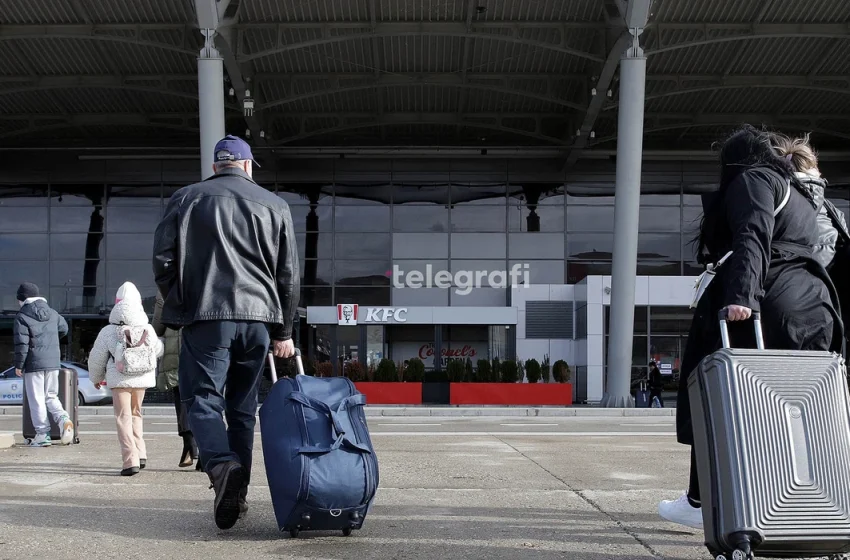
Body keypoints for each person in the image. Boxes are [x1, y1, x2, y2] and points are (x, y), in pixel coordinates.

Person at [659, 125, 844, 529]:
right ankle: (810, 502)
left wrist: (742, 295)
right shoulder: (801, 194)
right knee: (802, 410)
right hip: (814, 306)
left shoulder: (754, 179)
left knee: (722, 400)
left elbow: (753, 236)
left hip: (769, 301)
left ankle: (701, 501)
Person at [153, 135, 300, 530]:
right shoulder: (276, 205)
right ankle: (241, 492)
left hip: (207, 316)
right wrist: (283, 330)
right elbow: (288, 275)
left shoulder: (186, 198)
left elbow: (163, 262)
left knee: (201, 399)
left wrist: (181, 304)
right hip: (258, 319)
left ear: (216, 166)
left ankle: (221, 469)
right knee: (241, 408)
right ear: (248, 166)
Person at [88, 282, 163, 476]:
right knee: (136, 414)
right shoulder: (147, 328)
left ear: (117, 304)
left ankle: (130, 461)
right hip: (142, 379)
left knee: (123, 418)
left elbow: (97, 357)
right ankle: (141, 453)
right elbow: (158, 350)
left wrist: (96, 377)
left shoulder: (108, 331)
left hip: (119, 379)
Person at [13, 282, 75, 447]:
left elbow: (22, 344)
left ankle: (42, 434)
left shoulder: (22, 315)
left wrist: (19, 365)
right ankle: (64, 420)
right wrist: (51, 342)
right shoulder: (52, 313)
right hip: (53, 362)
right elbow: (64, 328)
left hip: (34, 364)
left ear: (22, 298)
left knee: (37, 400)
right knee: (51, 396)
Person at [152, 291, 200, 469]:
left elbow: (157, 327)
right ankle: (203, 451)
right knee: (204, 398)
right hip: (201, 347)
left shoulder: (167, 286)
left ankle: (189, 446)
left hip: (176, 351)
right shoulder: (207, 275)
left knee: (182, 400)